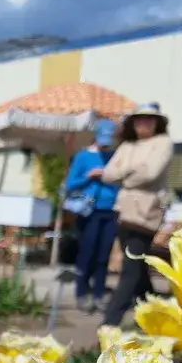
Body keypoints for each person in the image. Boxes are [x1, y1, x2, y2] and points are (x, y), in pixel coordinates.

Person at [101, 103, 175, 327]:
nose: (144, 123)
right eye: (139, 119)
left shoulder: (163, 143)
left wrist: (124, 176)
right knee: (138, 266)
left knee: (131, 269)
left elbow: (151, 172)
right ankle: (157, 318)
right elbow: (107, 174)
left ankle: (109, 322)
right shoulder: (127, 145)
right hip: (124, 212)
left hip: (146, 213)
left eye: (149, 119)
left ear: (157, 123)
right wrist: (132, 171)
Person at [65, 119, 120, 312]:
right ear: (96, 136)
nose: (106, 143)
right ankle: (81, 293)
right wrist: (89, 176)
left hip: (111, 210)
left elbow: (120, 181)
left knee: (104, 256)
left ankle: (98, 294)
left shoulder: (114, 156)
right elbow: (70, 185)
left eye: (109, 139)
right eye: (103, 139)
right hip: (89, 211)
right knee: (87, 253)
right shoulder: (83, 156)